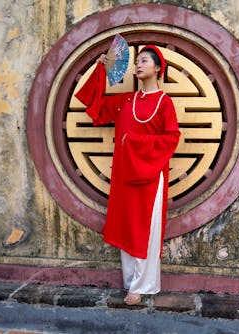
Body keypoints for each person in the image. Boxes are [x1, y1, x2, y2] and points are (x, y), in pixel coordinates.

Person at [75, 44, 180, 305]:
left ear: (158, 68)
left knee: (145, 230)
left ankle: (143, 285)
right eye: (137, 61)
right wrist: (99, 69)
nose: (139, 65)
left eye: (145, 61)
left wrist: (133, 141)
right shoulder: (127, 101)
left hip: (149, 174)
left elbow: (172, 137)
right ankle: (130, 281)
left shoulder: (164, 103)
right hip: (124, 175)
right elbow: (96, 108)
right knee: (126, 228)